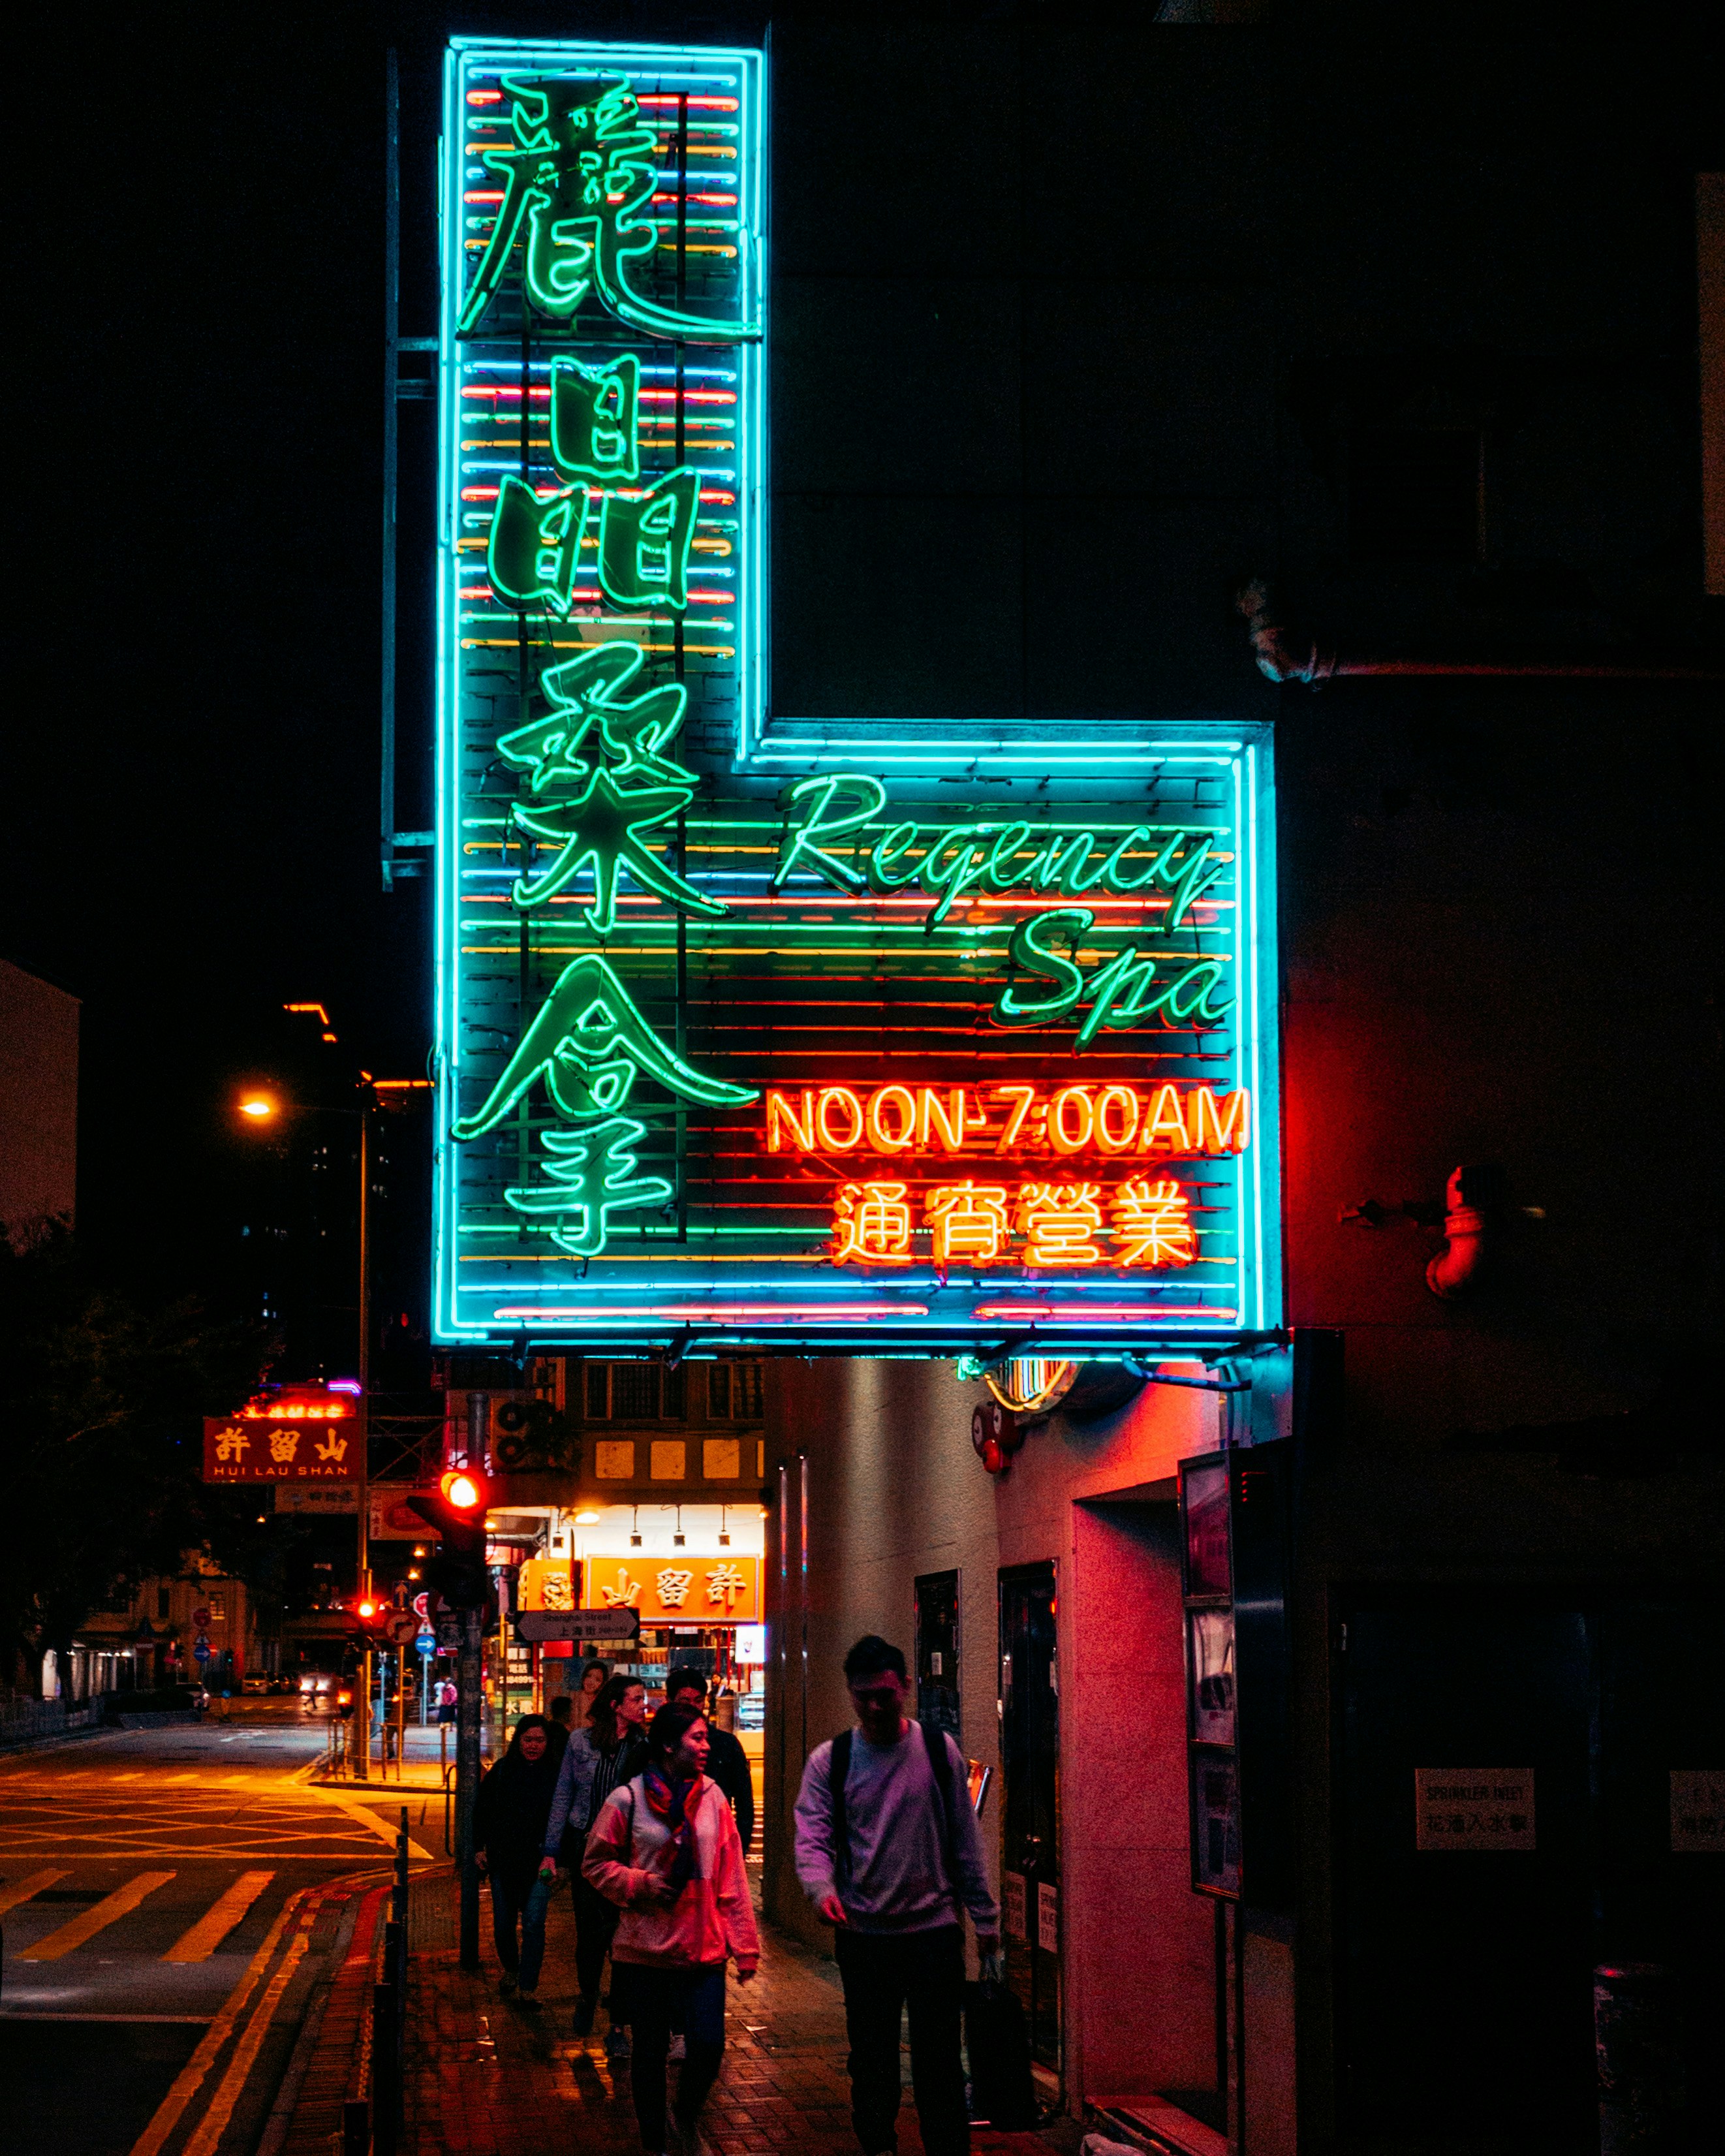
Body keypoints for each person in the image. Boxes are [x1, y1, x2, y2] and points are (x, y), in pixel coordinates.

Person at [794, 1635, 999, 2156]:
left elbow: (963, 1838)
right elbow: (812, 1835)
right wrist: (820, 1890)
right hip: (864, 1935)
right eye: (862, 1695)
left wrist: (985, 1917)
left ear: (905, 1686)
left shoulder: (937, 1750)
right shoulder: (830, 1760)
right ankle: (878, 2145)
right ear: (849, 1692)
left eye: (884, 1693)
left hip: (932, 1933)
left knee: (939, 2061)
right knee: (872, 2058)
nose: (874, 1705)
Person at [583, 1702, 758, 2156]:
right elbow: (595, 1863)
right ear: (667, 1745)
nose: (705, 1746)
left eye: (705, 1737)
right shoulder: (628, 1799)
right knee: (649, 2054)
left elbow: (731, 1873)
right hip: (645, 1952)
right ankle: (654, 2143)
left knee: (707, 2045)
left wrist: (744, 1945)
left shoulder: (714, 1797)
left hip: (702, 1949)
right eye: (696, 1738)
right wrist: (640, 1882)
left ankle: (684, 2110)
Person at [543, 1671, 650, 2055]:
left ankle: (618, 2026)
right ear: (615, 1705)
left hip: (625, 1853)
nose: (644, 1706)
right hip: (586, 1848)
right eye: (637, 1699)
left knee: (621, 1938)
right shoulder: (579, 1742)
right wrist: (551, 1850)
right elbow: (562, 1795)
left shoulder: (644, 1746)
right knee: (590, 1936)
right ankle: (588, 1994)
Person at [473, 1712, 561, 2004]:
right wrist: (479, 1847)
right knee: (503, 1925)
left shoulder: (556, 1775)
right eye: (528, 1739)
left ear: (548, 1743)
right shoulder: (502, 1771)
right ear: (518, 1740)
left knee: (535, 1923)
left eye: (540, 1740)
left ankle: (527, 1986)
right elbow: (482, 1812)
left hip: (540, 1863)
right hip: (504, 1861)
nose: (534, 1746)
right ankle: (512, 1968)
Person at [666, 1669, 754, 1855]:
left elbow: (744, 1801)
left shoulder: (726, 1744)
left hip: (716, 1843)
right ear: (670, 1700)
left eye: (698, 1700)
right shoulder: (657, 1744)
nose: (693, 1707)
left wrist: (738, 1848)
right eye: (685, 1701)